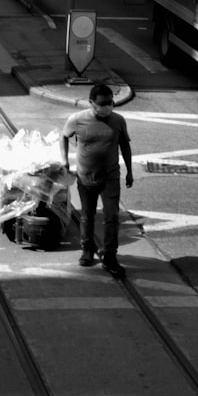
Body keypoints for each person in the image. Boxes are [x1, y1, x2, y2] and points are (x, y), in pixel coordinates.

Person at [60, 83, 133, 278]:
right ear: (92, 103)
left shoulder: (118, 120)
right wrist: (65, 161)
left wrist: (129, 171)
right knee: (87, 216)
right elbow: (64, 136)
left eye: (110, 103)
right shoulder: (77, 120)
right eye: (102, 103)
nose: (107, 106)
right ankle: (87, 249)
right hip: (86, 177)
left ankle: (110, 256)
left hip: (110, 177)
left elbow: (125, 145)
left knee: (112, 218)